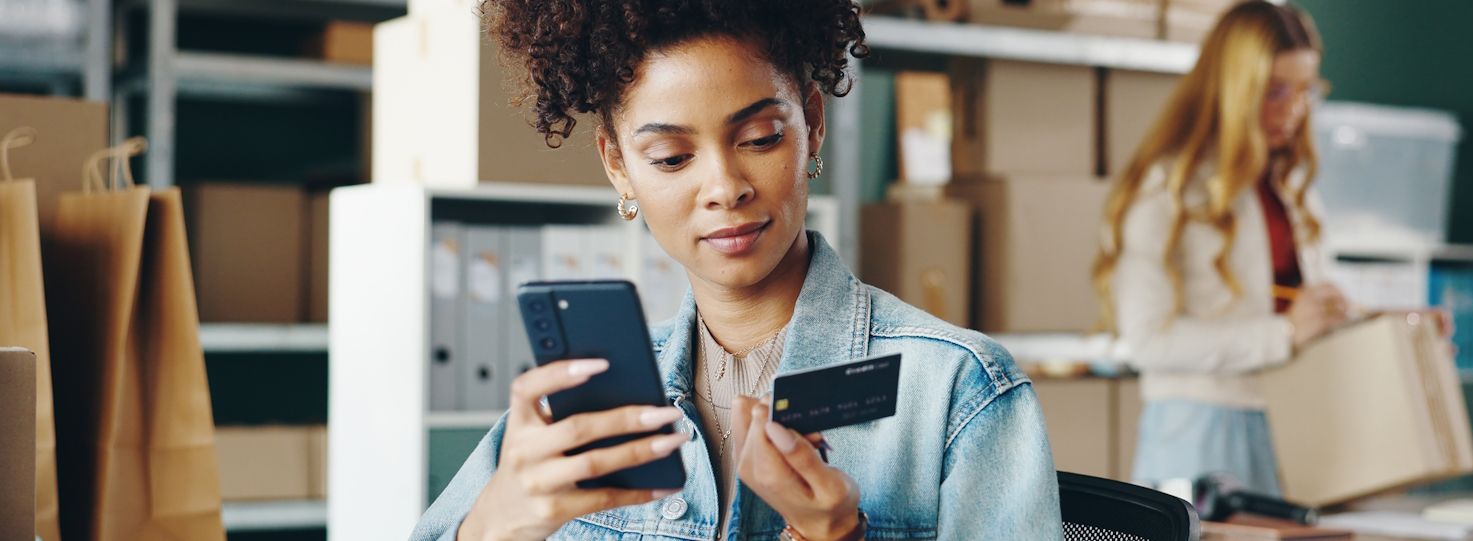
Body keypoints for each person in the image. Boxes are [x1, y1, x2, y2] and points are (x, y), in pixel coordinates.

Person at [410, 1, 1061, 540]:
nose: (723, 187)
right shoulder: (575, 412)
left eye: (758, 139)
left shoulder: (960, 394)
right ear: (617, 164)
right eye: (670, 157)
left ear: (812, 122)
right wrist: (492, 523)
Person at [1092, 1, 1347, 497]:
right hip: (1199, 433)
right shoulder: (1167, 189)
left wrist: (1396, 329)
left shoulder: (1290, 187)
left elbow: (1298, 313)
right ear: (1234, 89)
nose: (1293, 111)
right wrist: (1283, 334)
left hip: (1290, 423)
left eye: (1304, 91)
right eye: (1275, 91)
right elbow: (1148, 341)